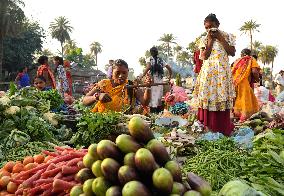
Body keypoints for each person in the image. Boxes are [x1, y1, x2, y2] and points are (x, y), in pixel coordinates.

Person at [193, 13, 236, 136]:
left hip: (222, 72)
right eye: (206, 27)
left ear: (218, 25)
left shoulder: (227, 36)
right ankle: (209, 126)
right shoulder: (204, 39)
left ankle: (222, 126)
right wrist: (211, 40)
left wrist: (220, 38)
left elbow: (232, 52)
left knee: (221, 96)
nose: (209, 29)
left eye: (211, 26)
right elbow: (204, 56)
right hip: (209, 72)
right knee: (209, 96)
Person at [82, 59, 152, 113]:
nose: (121, 76)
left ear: (128, 72)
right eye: (117, 73)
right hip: (103, 121)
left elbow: (145, 102)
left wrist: (148, 88)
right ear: (112, 72)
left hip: (124, 122)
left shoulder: (131, 86)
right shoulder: (103, 84)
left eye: (124, 73)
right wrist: (97, 97)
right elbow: (84, 100)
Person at [232, 48, 260, 121]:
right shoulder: (251, 59)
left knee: (236, 100)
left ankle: (235, 117)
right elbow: (254, 71)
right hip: (244, 83)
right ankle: (243, 119)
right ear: (250, 54)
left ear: (241, 54)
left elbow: (231, 71)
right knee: (246, 102)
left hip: (234, 82)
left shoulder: (237, 61)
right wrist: (258, 79)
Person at [142, 46, 172, 113]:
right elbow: (169, 68)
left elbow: (148, 67)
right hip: (159, 81)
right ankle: (158, 113)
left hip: (152, 81)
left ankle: (153, 114)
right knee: (159, 96)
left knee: (152, 98)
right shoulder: (161, 60)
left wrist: (142, 76)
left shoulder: (149, 59)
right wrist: (170, 77)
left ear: (151, 53)